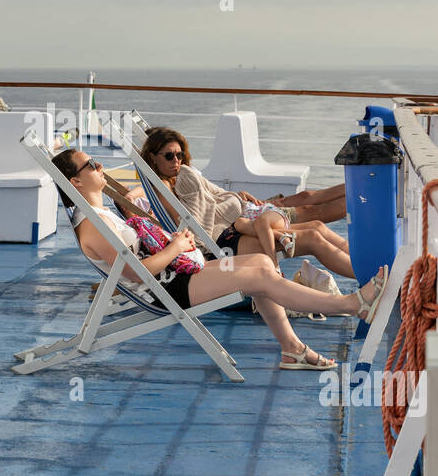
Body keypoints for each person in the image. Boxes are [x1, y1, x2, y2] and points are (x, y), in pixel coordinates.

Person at [52, 148, 389, 370]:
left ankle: (292, 349)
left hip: (177, 275)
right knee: (259, 276)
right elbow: (137, 273)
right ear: (75, 181)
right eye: (91, 165)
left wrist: (175, 244)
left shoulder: (100, 215)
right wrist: (175, 247)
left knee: (260, 262)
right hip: (170, 289)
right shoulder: (92, 227)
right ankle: (352, 305)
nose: (100, 166)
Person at [138, 127, 356, 279]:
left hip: (234, 226)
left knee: (316, 227)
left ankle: (366, 268)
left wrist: (234, 197)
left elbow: (207, 203)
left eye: (179, 155)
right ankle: (368, 281)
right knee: (313, 237)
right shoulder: (171, 184)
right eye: (169, 156)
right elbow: (196, 224)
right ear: (153, 157)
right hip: (223, 239)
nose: (176, 161)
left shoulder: (174, 180)